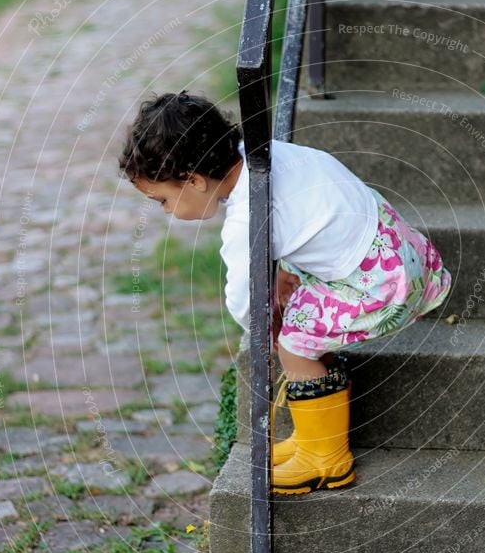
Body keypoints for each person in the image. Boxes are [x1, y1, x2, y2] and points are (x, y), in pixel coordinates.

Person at [118, 90, 452, 495]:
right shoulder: (265, 155)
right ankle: (313, 434)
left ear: (193, 181)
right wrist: (275, 278)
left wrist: (268, 331)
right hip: (399, 252)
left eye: (163, 200)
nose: (167, 210)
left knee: (293, 342)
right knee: (297, 310)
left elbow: (244, 299)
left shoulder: (248, 218)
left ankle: (326, 459)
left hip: (381, 283)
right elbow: (298, 222)